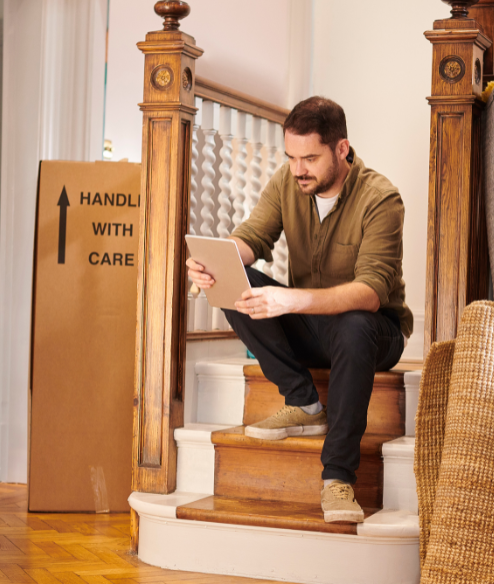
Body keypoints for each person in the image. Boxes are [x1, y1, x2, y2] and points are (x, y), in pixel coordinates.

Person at [186, 96, 412, 523]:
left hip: (374, 333)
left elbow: (371, 291)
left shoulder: (382, 198)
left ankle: (338, 478)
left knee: (355, 324)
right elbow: (252, 238)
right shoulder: (287, 182)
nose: (298, 169)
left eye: (309, 158)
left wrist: (292, 299)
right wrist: (217, 260)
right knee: (237, 280)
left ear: (341, 149)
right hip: (315, 329)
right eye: (291, 157)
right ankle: (305, 404)